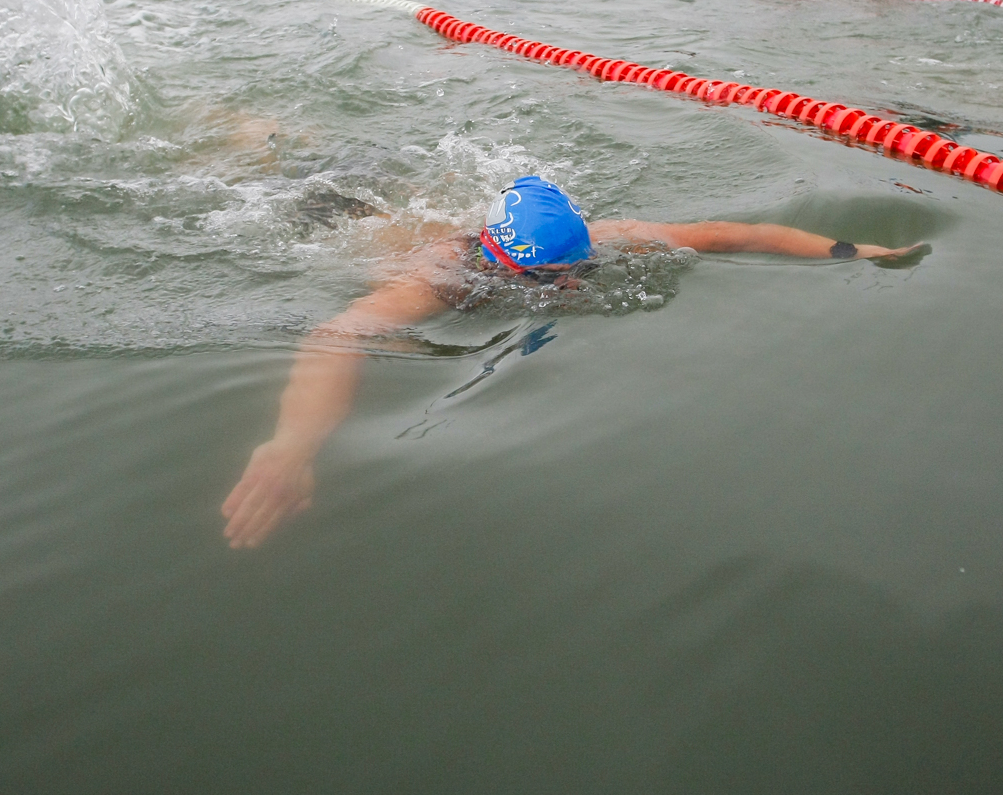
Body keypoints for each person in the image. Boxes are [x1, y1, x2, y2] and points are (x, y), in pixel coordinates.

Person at [219, 175, 927, 548]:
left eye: (579, 271)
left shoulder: (602, 239)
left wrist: (853, 251)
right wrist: (291, 446)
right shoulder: (435, 284)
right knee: (260, 171)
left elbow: (727, 235)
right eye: (554, 280)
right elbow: (336, 334)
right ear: (503, 268)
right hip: (319, 215)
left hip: (406, 209)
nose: (573, 288)